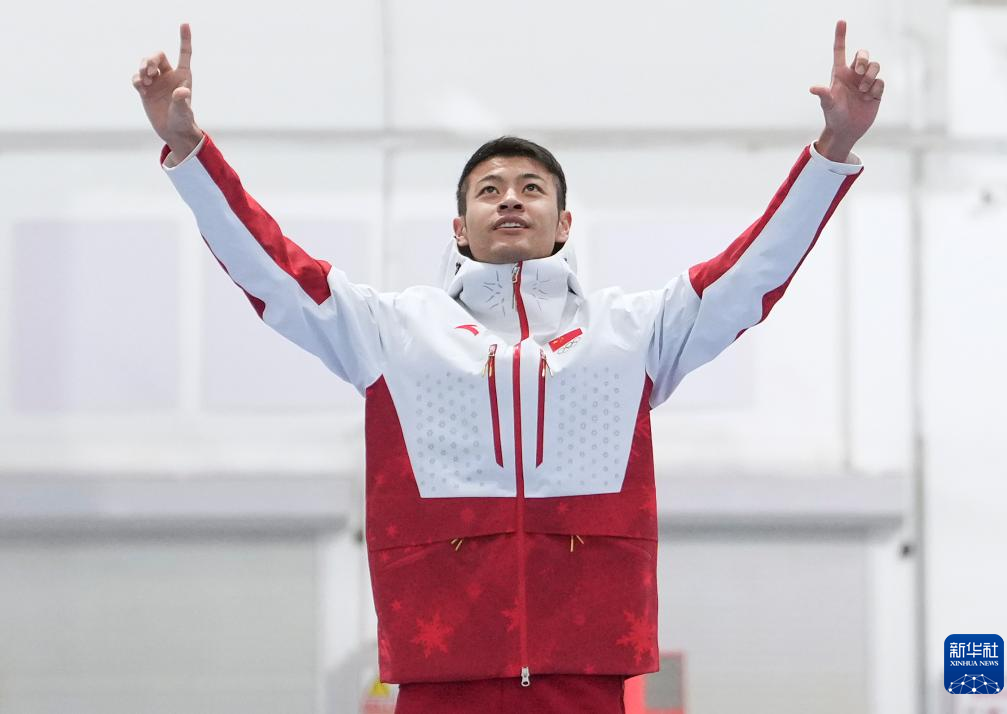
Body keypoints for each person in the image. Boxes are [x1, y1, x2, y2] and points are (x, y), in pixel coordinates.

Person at [132, 19, 883, 713]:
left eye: (531, 189)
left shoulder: (633, 332)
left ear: (564, 222)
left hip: (586, 675)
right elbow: (273, 271)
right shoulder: (393, 331)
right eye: (489, 191)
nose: (510, 201)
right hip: (441, 675)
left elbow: (749, 275)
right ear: (460, 227)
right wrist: (191, 153)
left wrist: (832, 152)